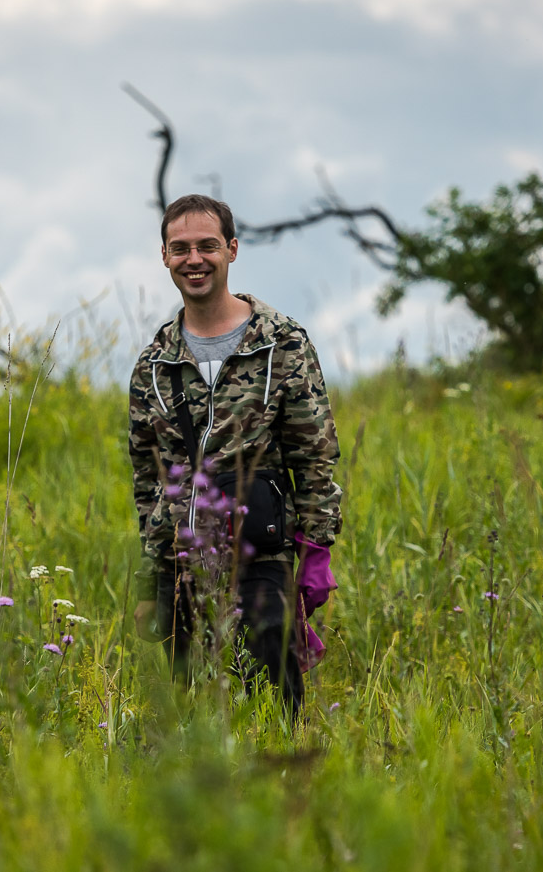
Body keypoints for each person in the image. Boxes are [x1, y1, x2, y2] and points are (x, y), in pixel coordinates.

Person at [128, 193, 341, 715]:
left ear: (232, 249)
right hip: (183, 558)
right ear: (164, 256)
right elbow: (149, 481)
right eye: (181, 248)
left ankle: (289, 767)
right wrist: (151, 581)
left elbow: (314, 456)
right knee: (190, 709)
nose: (194, 260)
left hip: (261, 550)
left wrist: (316, 552)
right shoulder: (154, 363)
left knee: (274, 700)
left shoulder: (282, 343)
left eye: (207, 245)